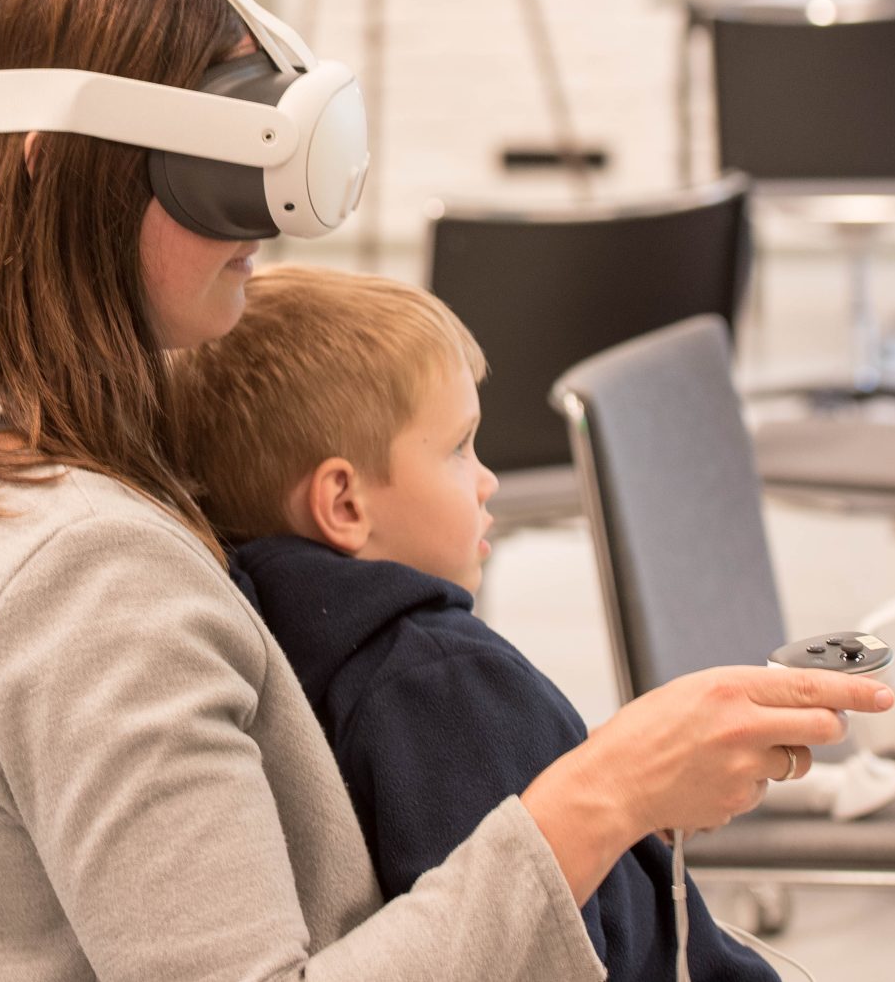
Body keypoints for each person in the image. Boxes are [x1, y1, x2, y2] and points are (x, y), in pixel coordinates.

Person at [0, 0, 889, 980]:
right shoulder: (89, 575)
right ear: (55, 162)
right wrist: (607, 793)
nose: (264, 220)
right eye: (213, 166)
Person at [164, 265, 780, 982]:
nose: (487, 480)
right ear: (345, 505)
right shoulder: (446, 678)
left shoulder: (260, 651)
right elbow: (531, 942)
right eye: (460, 447)